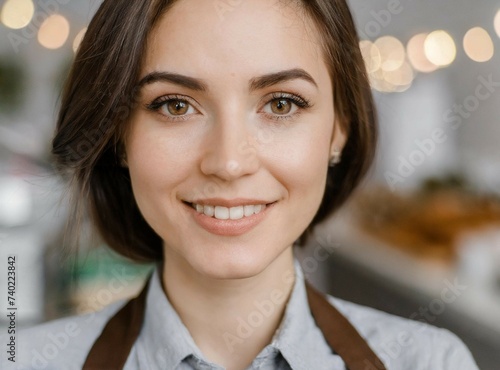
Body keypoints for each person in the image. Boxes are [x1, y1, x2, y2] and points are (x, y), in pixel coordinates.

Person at [1, 0, 479, 369]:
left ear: (339, 129)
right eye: (174, 105)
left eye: (282, 104)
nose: (229, 162)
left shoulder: (430, 362)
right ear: (120, 136)